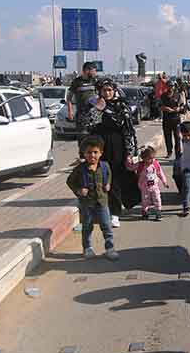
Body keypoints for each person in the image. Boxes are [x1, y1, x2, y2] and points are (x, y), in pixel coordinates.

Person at [85, 79, 139, 228]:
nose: (107, 93)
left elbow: (128, 130)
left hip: (118, 147)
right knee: (101, 178)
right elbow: (89, 126)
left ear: (114, 90)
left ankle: (115, 213)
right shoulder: (95, 106)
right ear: (100, 92)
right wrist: (97, 109)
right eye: (104, 90)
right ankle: (105, 210)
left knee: (115, 179)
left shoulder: (122, 106)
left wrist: (131, 152)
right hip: (100, 147)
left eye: (110, 90)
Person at [66, 135, 119, 261]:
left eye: (95, 152)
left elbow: (109, 174)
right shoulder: (79, 169)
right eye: (89, 152)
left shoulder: (104, 166)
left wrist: (108, 184)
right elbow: (70, 182)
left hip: (102, 202)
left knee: (106, 225)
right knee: (87, 226)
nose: (92, 155)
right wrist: (79, 190)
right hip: (86, 203)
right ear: (84, 153)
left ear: (101, 153)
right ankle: (87, 248)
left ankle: (110, 248)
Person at [127, 146, 168, 221]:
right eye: (149, 158)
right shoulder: (140, 165)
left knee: (157, 199)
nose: (152, 160)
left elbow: (160, 173)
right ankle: (145, 211)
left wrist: (164, 182)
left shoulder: (155, 164)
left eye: (153, 158)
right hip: (144, 187)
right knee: (145, 200)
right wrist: (128, 160)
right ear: (144, 158)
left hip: (154, 186)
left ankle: (158, 212)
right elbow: (130, 167)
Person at [67, 62, 100, 136]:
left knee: (95, 139)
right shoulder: (77, 82)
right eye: (94, 71)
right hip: (82, 115)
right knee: (83, 138)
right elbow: (69, 98)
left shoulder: (95, 81)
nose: (95, 73)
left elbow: (100, 95)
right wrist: (70, 111)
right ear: (87, 70)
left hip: (94, 115)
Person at [160, 84, 184, 157]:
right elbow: (159, 106)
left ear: (174, 87)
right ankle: (169, 152)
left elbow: (183, 106)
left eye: (172, 86)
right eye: (169, 86)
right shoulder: (163, 96)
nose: (170, 87)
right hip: (166, 119)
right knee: (167, 137)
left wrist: (179, 109)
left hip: (176, 119)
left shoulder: (178, 95)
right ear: (166, 87)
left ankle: (178, 152)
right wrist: (165, 108)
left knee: (177, 137)